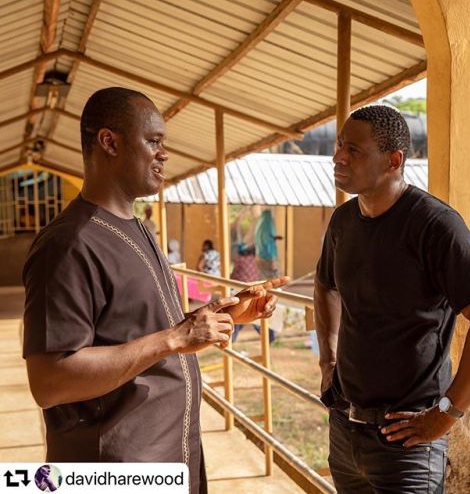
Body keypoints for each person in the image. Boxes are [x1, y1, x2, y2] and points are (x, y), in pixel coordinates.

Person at [22, 87, 288, 493]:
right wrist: (175, 338)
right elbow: (51, 381)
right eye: (154, 141)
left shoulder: (140, 228)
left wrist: (224, 317)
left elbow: (141, 329)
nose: (164, 154)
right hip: (113, 470)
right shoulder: (69, 243)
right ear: (109, 142)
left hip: (168, 455)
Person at [314, 104, 470, 493]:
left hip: (408, 439)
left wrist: (447, 413)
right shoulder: (343, 222)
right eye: (339, 145)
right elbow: (326, 284)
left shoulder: (435, 225)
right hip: (345, 426)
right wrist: (328, 359)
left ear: (393, 160)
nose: (338, 157)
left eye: (353, 149)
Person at [230, 244, 276, 343]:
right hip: (254, 289)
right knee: (258, 314)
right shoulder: (257, 261)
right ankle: (270, 338)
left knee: (239, 314)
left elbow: (233, 275)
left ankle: (231, 338)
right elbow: (260, 275)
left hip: (241, 290)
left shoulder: (240, 260)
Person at [254, 209, 281, 279]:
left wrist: (275, 237)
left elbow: (264, 237)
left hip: (260, 254)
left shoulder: (260, 223)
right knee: (270, 278)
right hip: (267, 256)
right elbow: (267, 239)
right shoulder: (267, 223)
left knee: (264, 276)